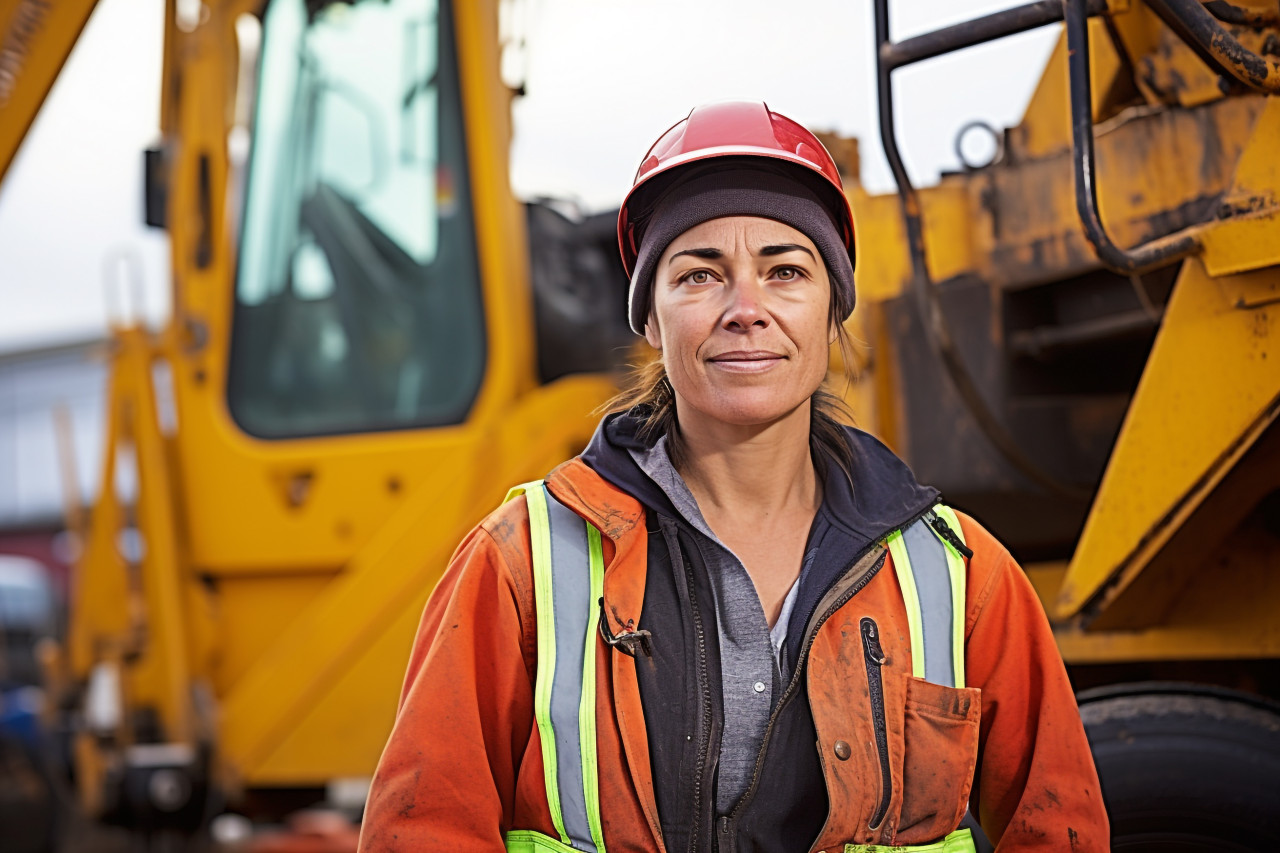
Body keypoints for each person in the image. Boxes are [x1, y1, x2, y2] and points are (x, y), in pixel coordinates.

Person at [357, 101, 1109, 852]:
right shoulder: (520, 562)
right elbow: (421, 830)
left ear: (831, 310)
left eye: (785, 271)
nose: (746, 309)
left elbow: (1060, 828)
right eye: (699, 275)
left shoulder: (960, 576)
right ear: (651, 319)